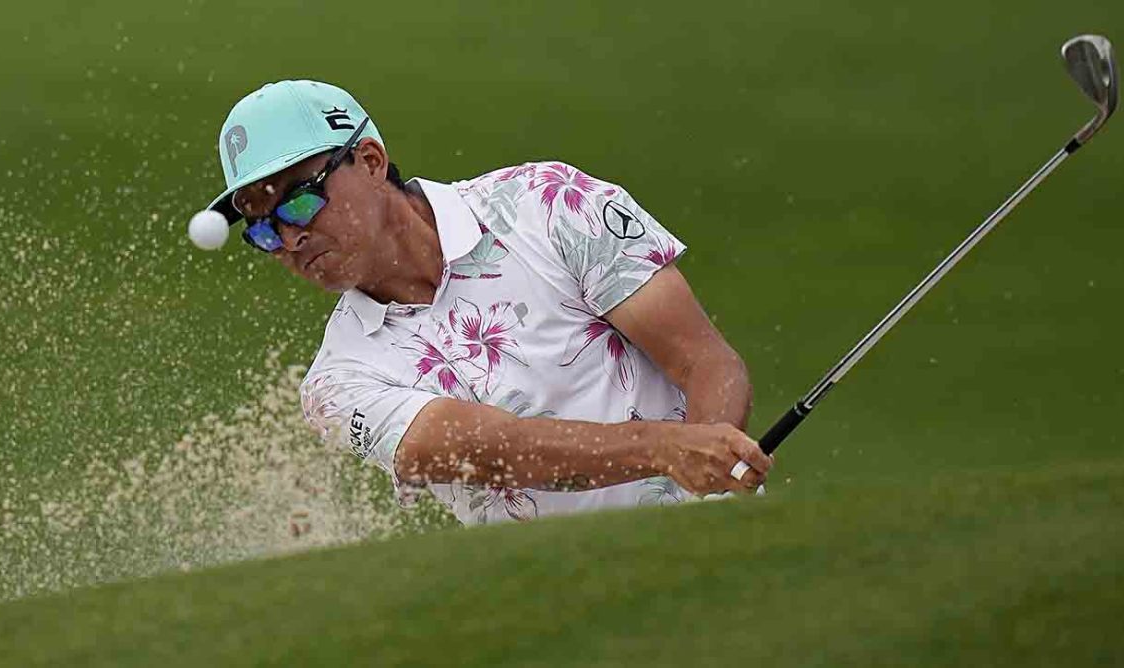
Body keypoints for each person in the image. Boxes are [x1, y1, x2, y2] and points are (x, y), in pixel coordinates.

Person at [204, 80, 773, 525]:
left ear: (372, 161)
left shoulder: (548, 204)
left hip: (721, 553)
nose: (289, 238)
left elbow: (704, 360)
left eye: (299, 204)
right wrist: (667, 450)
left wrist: (711, 467)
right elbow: (497, 448)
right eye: (263, 228)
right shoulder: (337, 384)